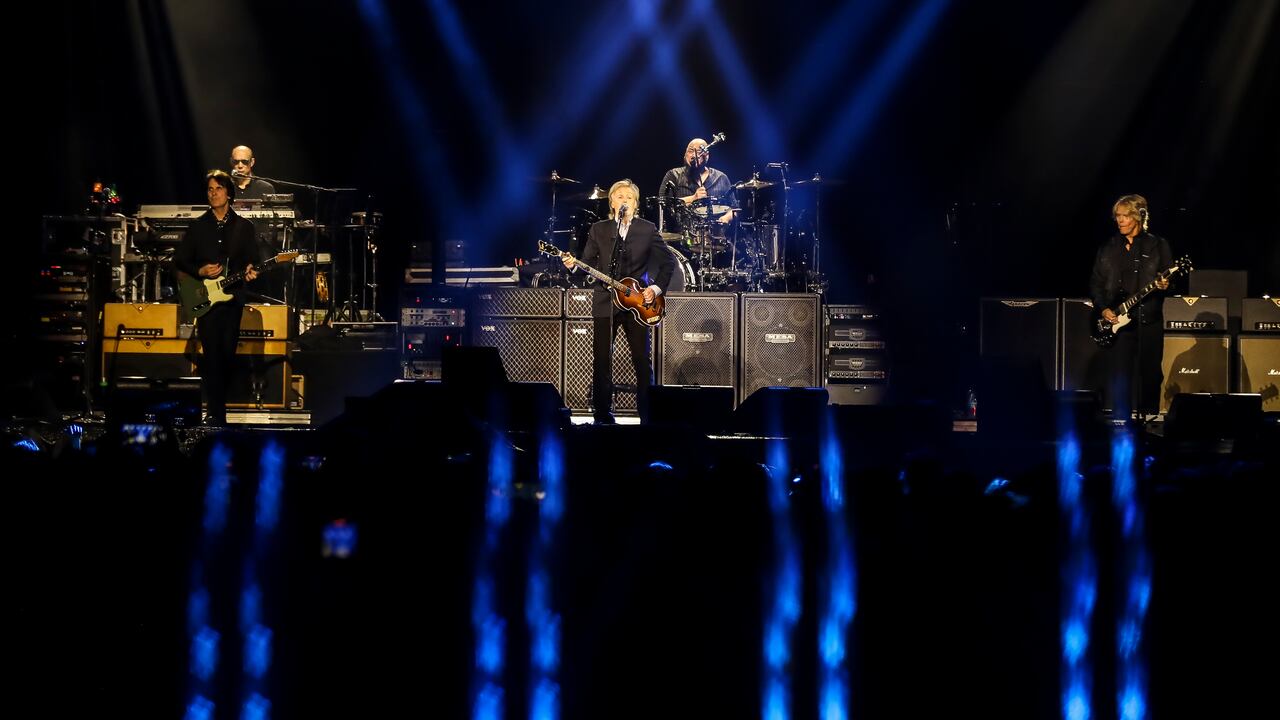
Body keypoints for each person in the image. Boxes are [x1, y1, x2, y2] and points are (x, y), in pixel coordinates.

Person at [563, 179, 674, 424]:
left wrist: (654, 289)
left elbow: (668, 262)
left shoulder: (647, 229)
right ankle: (602, 415)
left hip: (638, 304)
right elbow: (588, 265)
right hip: (605, 301)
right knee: (602, 359)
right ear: (611, 202)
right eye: (620, 196)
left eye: (630, 197)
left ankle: (648, 416)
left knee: (641, 361)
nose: (625, 200)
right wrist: (573, 266)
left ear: (636, 204)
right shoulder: (599, 229)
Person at [174, 170, 262, 425]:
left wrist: (251, 271)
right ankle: (216, 413)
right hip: (207, 301)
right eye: (210, 190)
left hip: (232, 300)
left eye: (218, 189)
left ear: (229, 193)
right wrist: (199, 270)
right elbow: (179, 260)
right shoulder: (198, 226)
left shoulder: (244, 227)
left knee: (226, 356)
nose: (213, 193)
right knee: (211, 357)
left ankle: (219, 411)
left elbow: (253, 261)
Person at [1089, 194, 1172, 418]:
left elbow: (1171, 277)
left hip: (1149, 320)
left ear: (1139, 216)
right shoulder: (1108, 248)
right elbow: (1096, 284)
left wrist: (1166, 284)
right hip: (1118, 323)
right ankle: (1120, 421)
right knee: (1120, 374)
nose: (1121, 220)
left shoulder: (1158, 245)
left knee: (1151, 374)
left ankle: (1149, 419)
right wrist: (1104, 309)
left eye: (1126, 216)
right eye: (1118, 216)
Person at [659, 137, 737, 227]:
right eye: (690, 150)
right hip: (681, 236)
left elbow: (735, 209)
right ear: (685, 155)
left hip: (715, 237)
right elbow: (662, 204)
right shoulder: (673, 175)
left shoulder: (721, 178)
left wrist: (726, 218)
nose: (694, 155)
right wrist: (693, 198)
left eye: (700, 151)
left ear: (707, 156)